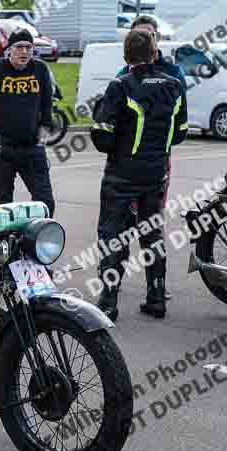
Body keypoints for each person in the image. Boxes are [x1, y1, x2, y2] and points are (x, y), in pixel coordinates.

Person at [91, 30, 187, 321]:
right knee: (152, 234)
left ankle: (108, 303)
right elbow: (180, 134)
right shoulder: (174, 85)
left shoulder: (120, 85)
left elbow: (102, 137)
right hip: (156, 174)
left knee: (112, 237)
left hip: (122, 175)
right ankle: (156, 297)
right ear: (155, 54)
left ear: (125, 56)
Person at [117, 14, 186, 301]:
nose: (145, 39)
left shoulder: (174, 73)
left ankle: (156, 288)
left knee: (151, 224)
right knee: (120, 226)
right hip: (126, 164)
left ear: (157, 39)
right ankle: (112, 286)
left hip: (157, 161)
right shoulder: (124, 73)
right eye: (139, 34)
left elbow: (180, 123)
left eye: (149, 34)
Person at [0, 29, 56, 217]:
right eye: (19, 47)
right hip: (3, 148)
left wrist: (43, 134)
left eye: (28, 47)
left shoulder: (40, 68)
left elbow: (47, 104)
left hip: (32, 147)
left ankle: (35, 240)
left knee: (45, 201)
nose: (24, 52)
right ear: (9, 49)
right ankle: (5, 243)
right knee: (3, 203)